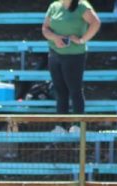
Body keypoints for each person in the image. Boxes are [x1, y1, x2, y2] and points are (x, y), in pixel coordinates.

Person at [42, 0, 100, 133]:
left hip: (74, 56)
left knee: (75, 90)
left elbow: (96, 23)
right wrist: (55, 38)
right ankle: (60, 126)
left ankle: (78, 125)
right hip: (54, 54)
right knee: (60, 91)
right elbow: (45, 28)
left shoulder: (82, 6)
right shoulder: (54, 6)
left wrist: (81, 40)